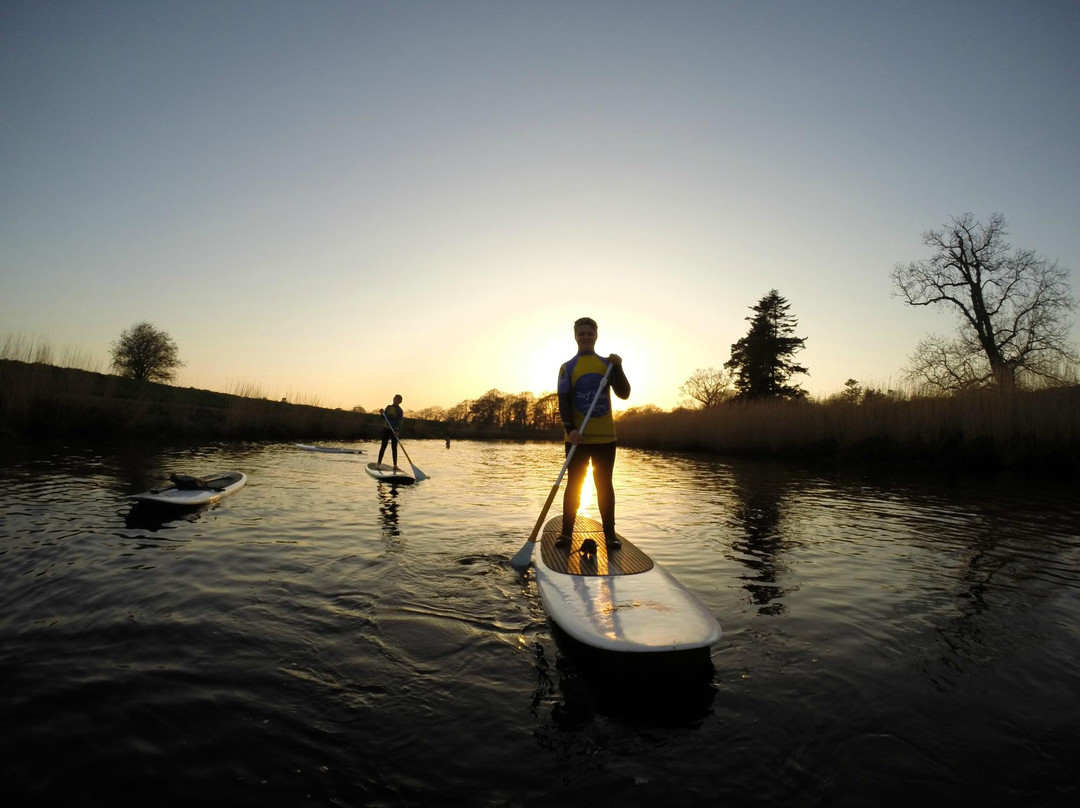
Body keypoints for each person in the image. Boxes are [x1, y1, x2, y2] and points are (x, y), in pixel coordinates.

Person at [556, 317, 631, 549]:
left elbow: (624, 393)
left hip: (605, 438)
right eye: (582, 333)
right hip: (577, 438)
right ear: (575, 336)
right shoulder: (567, 367)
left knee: (604, 485)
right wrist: (571, 429)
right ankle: (567, 534)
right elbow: (564, 400)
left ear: (595, 335)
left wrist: (618, 367)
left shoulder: (606, 364)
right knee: (574, 485)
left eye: (589, 333)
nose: (585, 337)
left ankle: (610, 535)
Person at [378, 394, 404, 470]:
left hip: (394, 431)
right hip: (386, 429)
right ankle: (379, 464)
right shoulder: (388, 407)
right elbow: (384, 417)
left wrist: (397, 431)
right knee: (383, 446)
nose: (395, 400)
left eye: (397, 400)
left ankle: (395, 465)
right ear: (393, 399)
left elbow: (400, 422)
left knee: (394, 448)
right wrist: (381, 413)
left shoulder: (400, 411)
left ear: (400, 402)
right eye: (395, 399)